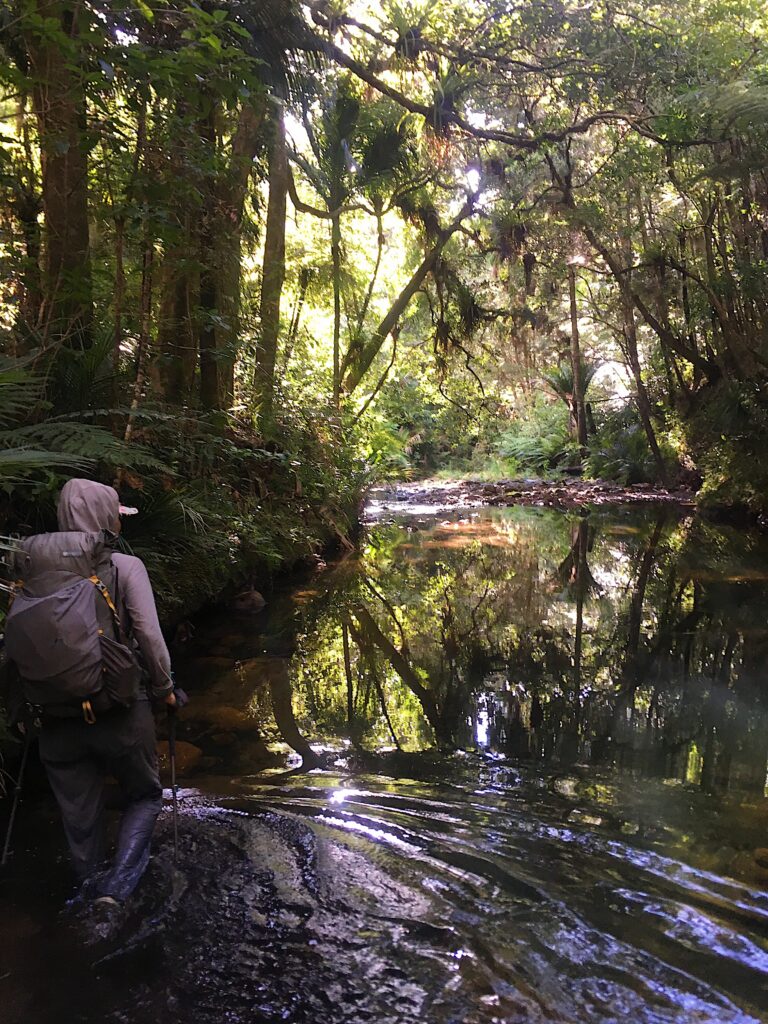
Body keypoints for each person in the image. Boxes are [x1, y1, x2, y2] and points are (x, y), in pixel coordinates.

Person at [9, 479, 180, 937]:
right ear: (107, 517)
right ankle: (115, 892)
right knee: (144, 795)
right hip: (120, 710)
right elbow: (147, 635)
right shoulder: (124, 566)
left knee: (78, 814)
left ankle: (86, 890)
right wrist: (165, 688)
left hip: (55, 718)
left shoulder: (26, 570)